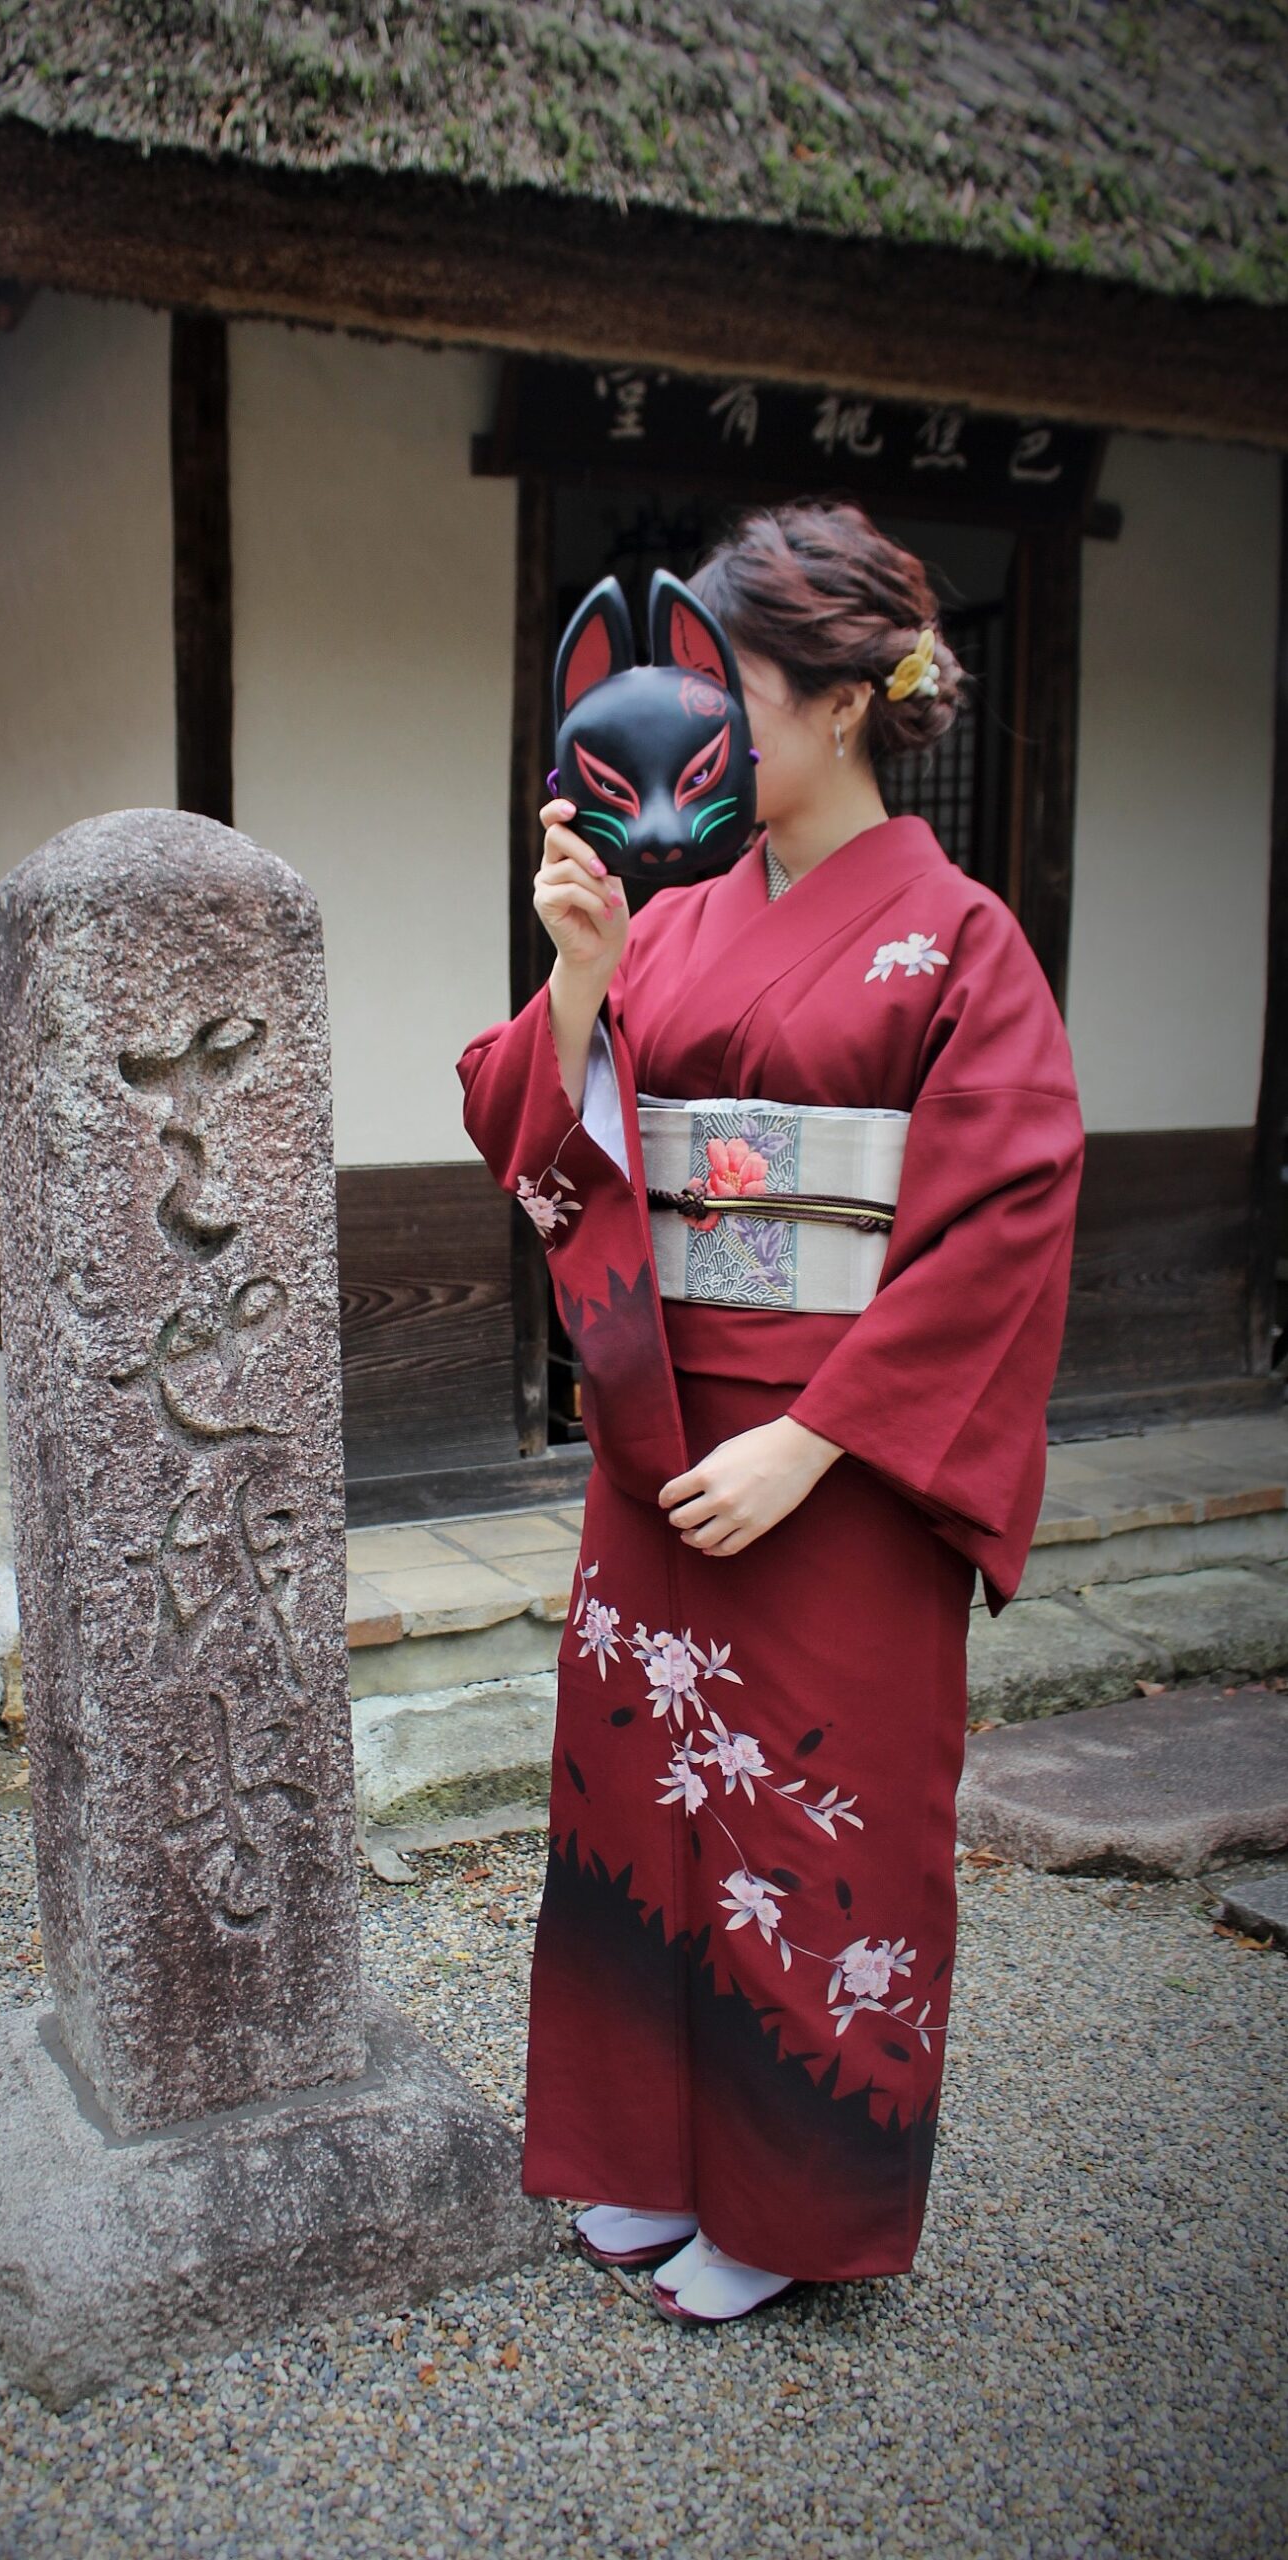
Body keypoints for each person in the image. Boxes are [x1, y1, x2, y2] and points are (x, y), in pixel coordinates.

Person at [455, 500, 1084, 2326]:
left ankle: (790, 2201)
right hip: (665, 1444)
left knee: (823, 1818)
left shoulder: (963, 944)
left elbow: (1005, 1221)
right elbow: (530, 1134)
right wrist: (580, 974)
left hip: (849, 1460)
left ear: (832, 705)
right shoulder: (672, 926)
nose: (707, 712)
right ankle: (653, 2159)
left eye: (734, 677)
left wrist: (814, 1439)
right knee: (650, 1804)